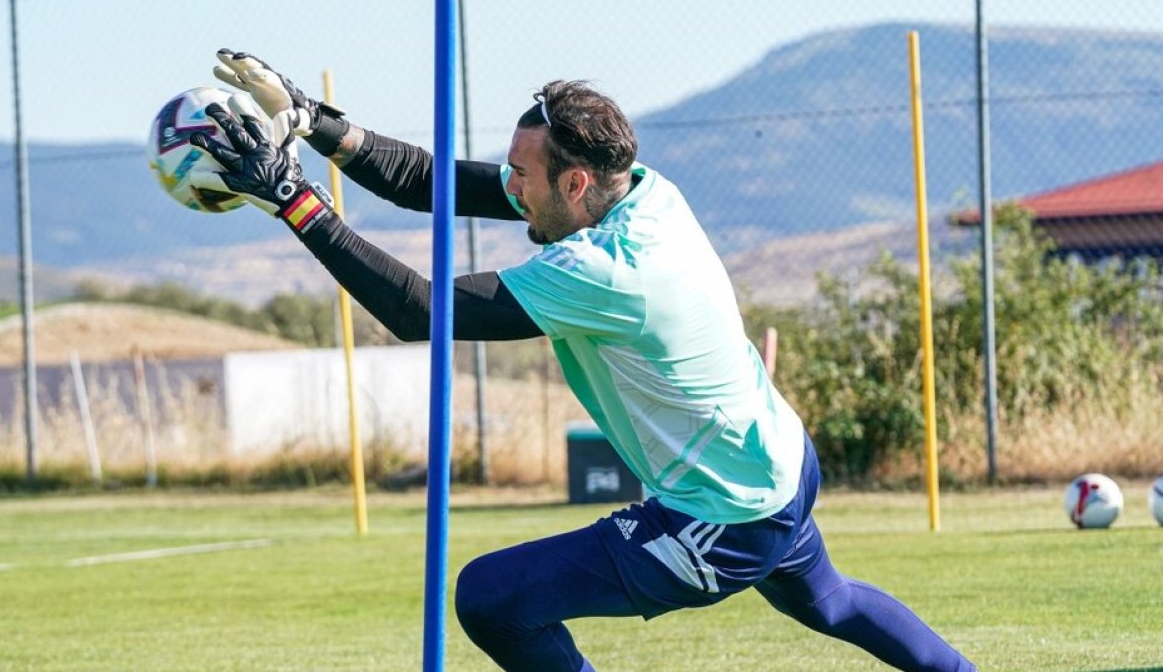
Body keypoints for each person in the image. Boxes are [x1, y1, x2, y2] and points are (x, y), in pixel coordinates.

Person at [192, 50, 977, 672]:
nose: (512, 191)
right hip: (775, 458)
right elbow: (430, 186)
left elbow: (416, 310)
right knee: (831, 602)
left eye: (524, 178)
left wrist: (292, 197)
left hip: (724, 510)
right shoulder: (641, 189)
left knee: (491, 597)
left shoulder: (605, 271)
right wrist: (314, 123)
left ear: (573, 180)